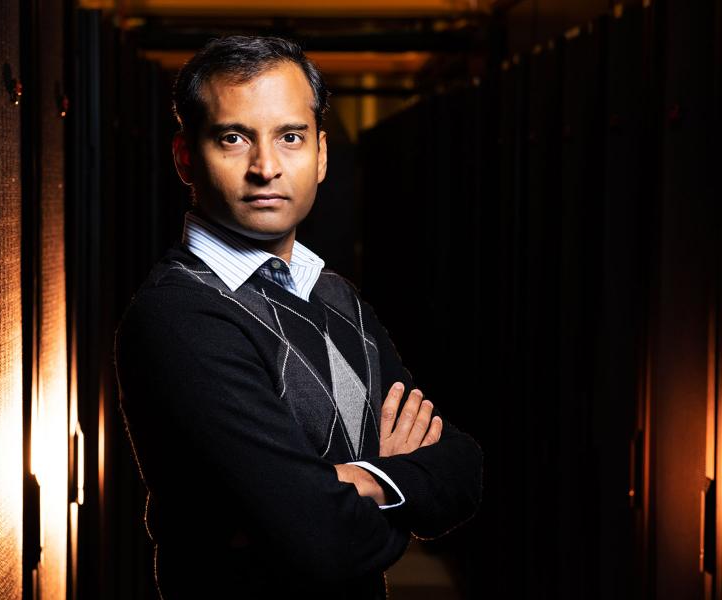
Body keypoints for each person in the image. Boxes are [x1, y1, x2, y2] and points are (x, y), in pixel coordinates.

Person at [113, 34, 483, 600]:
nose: (266, 167)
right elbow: (320, 540)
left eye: (290, 137)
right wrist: (389, 493)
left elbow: (462, 467)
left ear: (322, 155)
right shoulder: (179, 316)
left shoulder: (336, 296)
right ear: (186, 157)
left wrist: (350, 488)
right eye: (233, 138)